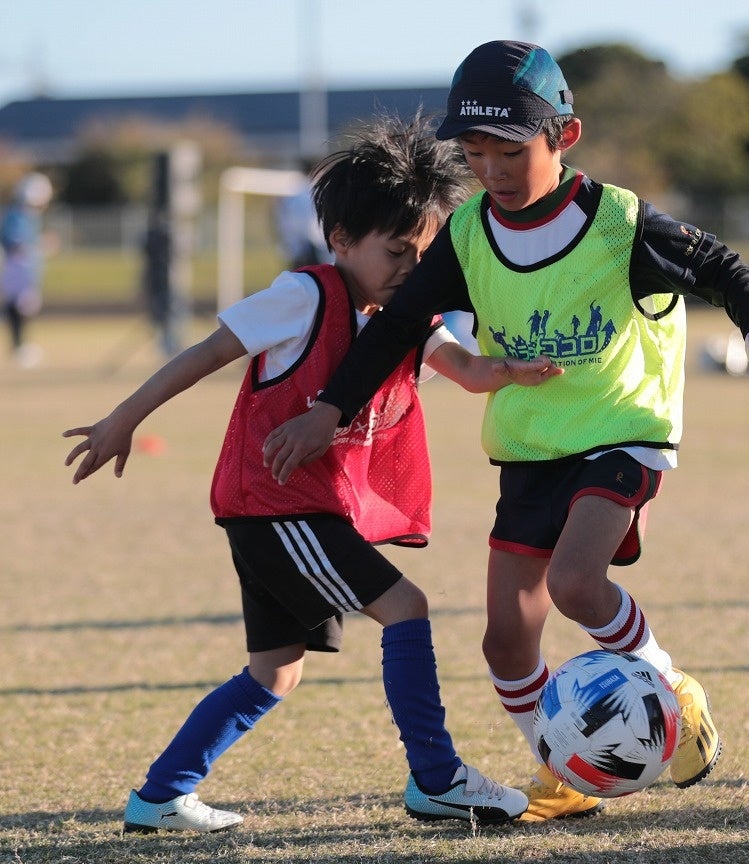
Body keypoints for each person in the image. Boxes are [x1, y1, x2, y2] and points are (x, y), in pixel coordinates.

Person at [261, 39, 749, 824]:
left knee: (578, 585)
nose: (491, 169)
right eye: (475, 152)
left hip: (622, 433)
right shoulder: (470, 234)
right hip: (529, 449)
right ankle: (567, 769)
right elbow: (397, 329)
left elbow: (721, 266)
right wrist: (328, 408)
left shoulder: (620, 223)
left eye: (509, 151)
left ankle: (668, 686)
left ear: (565, 137)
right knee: (506, 644)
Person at [62, 114, 562, 833]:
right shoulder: (304, 298)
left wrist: (514, 371)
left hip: (301, 514)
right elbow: (206, 352)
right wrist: (124, 418)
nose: (410, 271)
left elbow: (468, 370)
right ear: (340, 241)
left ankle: (160, 796)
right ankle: (438, 777)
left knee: (276, 670)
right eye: (396, 252)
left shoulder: (408, 316)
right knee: (407, 607)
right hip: (276, 508)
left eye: (424, 258)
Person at [2, 171, 53, 368]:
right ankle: (19, 346)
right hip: (17, 271)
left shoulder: (28, 216)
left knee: (25, 307)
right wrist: (41, 245)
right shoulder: (18, 216)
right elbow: (17, 244)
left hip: (26, 270)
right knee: (19, 307)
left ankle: (21, 345)